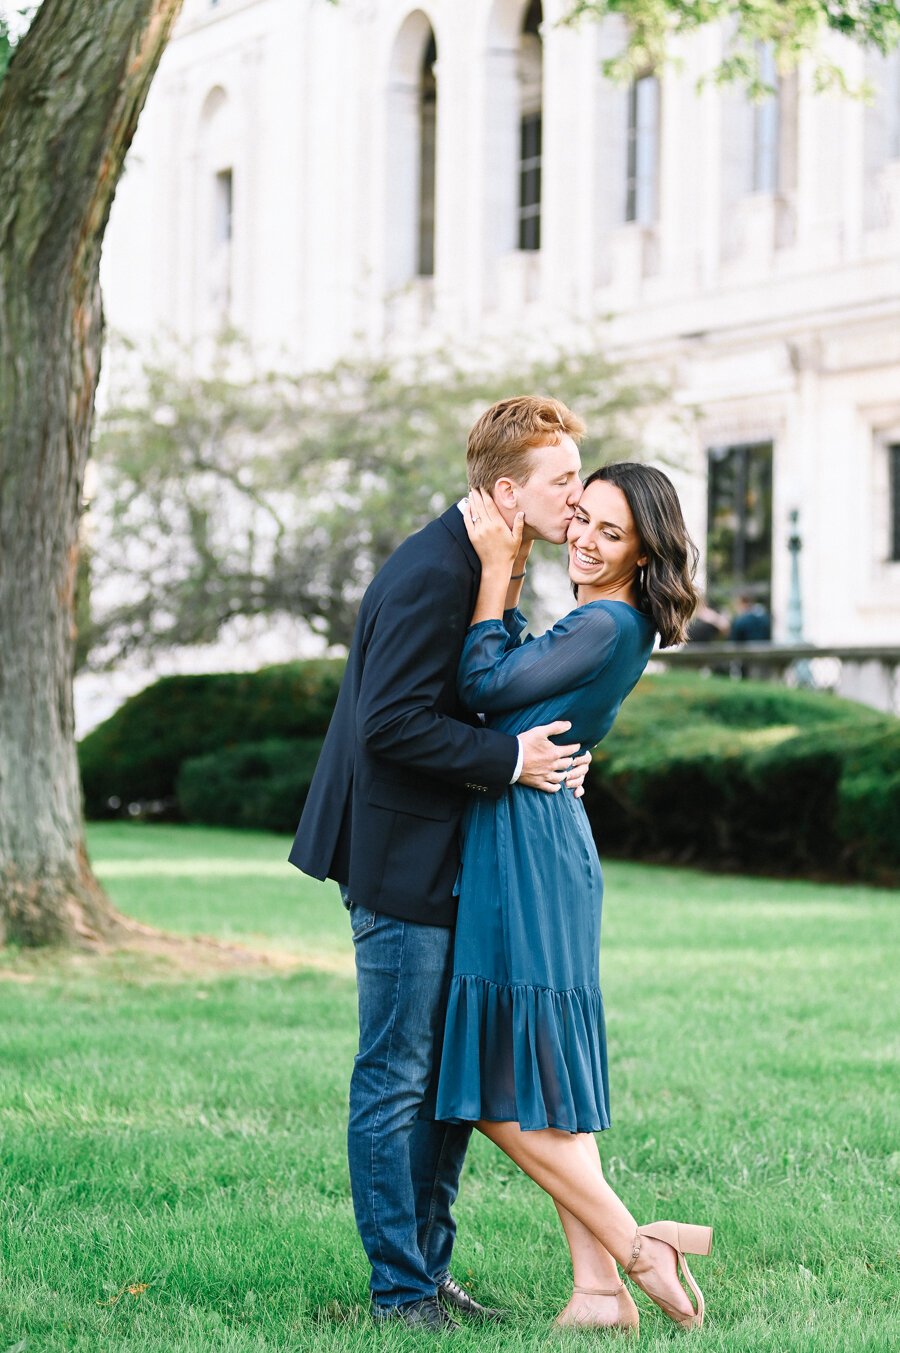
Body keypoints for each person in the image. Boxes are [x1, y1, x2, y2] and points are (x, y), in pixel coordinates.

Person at [289, 396, 596, 1331]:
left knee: (446, 1085)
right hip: (398, 858)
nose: (578, 499)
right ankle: (399, 1293)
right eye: (564, 481)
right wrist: (512, 762)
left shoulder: (488, 565)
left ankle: (430, 1273)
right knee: (397, 1075)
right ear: (508, 491)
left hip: (458, 860)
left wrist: (549, 759)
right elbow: (391, 725)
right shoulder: (434, 569)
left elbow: (481, 692)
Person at [434, 462, 714, 1334]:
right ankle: (597, 1292)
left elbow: (482, 688)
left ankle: (638, 1247)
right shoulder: (606, 622)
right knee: (541, 1078)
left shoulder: (607, 620)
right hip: (533, 833)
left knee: (487, 1090)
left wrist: (491, 571)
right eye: (582, 520)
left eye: (610, 533)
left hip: (528, 849)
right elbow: (520, 699)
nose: (584, 543)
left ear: (644, 551)